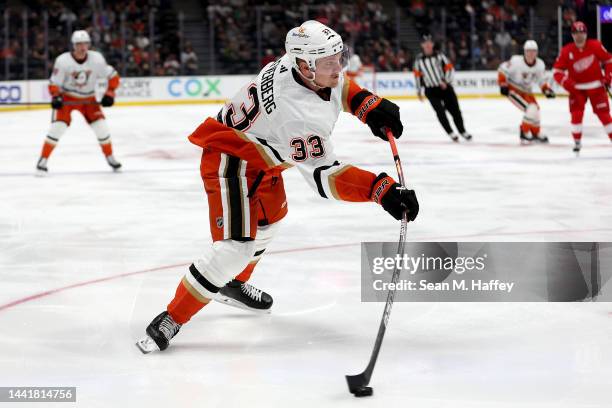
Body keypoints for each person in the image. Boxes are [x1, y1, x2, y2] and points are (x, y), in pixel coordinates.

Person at [136, 20, 420, 353]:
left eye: (337, 57)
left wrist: (368, 106)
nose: (338, 67)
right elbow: (324, 178)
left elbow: (339, 88)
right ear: (305, 65)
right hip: (231, 161)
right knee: (234, 248)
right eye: (329, 62)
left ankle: (234, 284)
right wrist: (379, 189)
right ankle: (172, 317)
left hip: (263, 158)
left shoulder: (298, 65)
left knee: (270, 223)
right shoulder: (298, 115)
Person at [36, 30, 121, 175]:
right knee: (58, 128)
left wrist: (110, 93)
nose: (82, 47)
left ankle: (110, 157)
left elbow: (113, 76)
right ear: (73, 46)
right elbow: (54, 83)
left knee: (102, 128)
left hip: (89, 99)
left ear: (89, 44)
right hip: (68, 97)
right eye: (79, 44)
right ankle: (42, 160)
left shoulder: (97, 59)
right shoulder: (63, 60)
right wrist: (56, 96)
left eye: (85, 43)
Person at [553, 21, 612, 154]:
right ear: (572, 35)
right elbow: (557, 71)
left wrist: (608, 76)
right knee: (576, 114)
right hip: (576, 89)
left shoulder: (595, 45)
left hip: (596, 87)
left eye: (582, 32)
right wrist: (566, 83)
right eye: (576, 33)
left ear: (586, 33)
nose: (579, 36)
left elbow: (609, 60)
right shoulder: (566, 50)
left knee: (604, 115)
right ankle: (577, 142)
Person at [413, 35, 472, 142]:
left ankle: (462, 131)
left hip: (445, 88)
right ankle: (451, 133)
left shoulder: (440, 56)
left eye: (429, 43)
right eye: (425, 43)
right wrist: (418, 91)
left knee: (455, 111)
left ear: (433, 44)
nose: (427, 45)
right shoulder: (419, 60)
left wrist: (446, 81)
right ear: (422, 45)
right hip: (431, 90)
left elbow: (449, 68)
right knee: (440, 112)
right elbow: (417, 76)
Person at [498, 40, 556, 144]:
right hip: (513, 89)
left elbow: (542, 81)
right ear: (524, 52)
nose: (531, 54)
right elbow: (502, 69)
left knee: (536, 110)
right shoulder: (516, 61)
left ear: (537, 52)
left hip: (527, 91)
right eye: (528, 51)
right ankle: (524, 132)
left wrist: (546, 90)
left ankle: (535, 133)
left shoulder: (540, 65)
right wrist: (503, 84)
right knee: (531, 109)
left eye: (533, 51)